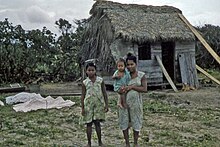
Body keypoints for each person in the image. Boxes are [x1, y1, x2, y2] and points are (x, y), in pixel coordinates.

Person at [118, 53, 147, 147]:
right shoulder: (123, 75)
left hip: (136, 104)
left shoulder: (141, 75)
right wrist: (121, 91)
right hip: (123, 102)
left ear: (136, 64)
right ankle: (127, 143)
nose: (130, 66)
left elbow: (144, 89)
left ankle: (135, 143)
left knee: (136, 121)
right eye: (128, 65)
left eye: (132, 64)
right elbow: (118, 88)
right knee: (124, 121)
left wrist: (132, 87)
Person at [81, 62, 109, 147]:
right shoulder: (85, 82)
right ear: (86, 71)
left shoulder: (100, 81)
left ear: (95, 71)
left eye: (92, 70)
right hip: (88, 106)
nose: (91, 72)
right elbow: (83, 95)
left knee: (97, 123)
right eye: (89, 70)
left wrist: (106, 104)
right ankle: (89, 143)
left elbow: (104, 93)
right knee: (88, 124)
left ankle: (100, 142)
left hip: (98, 105)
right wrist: (82, 108)